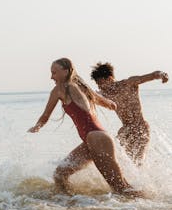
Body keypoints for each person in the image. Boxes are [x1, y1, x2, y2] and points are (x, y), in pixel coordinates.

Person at [28, 58, 143, 197]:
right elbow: (105, 102)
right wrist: (110, 103)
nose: (51, 76)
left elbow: (45, 116)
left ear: (65, 71)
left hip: (97, 138)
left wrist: (37, 127)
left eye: (54, 72)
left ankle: (151, 203)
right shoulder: (81, 87)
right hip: (93, 140)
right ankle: (73, 202)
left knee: (121, 188)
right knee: (60, 174)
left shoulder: (62, 88)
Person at [90, 62, 168, 165]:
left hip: (140, 127)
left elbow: (152, 75)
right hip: (125, 130)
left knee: (138, 162)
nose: (100, 87)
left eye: (101, 83)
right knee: (118, 160)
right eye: (98, 85)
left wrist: (162, 74)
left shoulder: (129, 83)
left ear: (109, 78)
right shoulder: (104, 94)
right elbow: (88, 95)